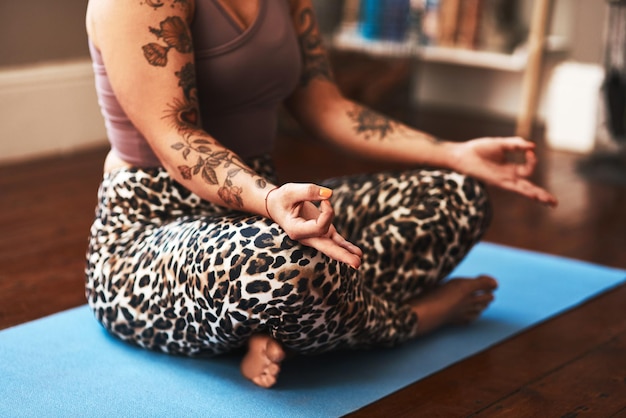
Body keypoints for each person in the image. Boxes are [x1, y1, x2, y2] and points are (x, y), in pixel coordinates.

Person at [84, 0, 557, 389]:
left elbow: (325, 106)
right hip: (149, 234)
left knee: (456, 196)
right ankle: (411, 319)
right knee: (285, 260)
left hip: (264, 213)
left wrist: (453, 153)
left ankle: (278, 324)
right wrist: (269, 200)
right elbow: (173, 133)